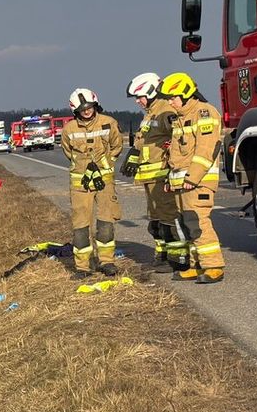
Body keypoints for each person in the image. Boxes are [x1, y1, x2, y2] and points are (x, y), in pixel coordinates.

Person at [159, 72, 225, 283]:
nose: (170, 102)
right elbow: (177, 156)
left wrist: (192, 178)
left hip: (198, 182)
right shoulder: (181, 118)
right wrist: (172, 180)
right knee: (187, 224)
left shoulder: (204, 113)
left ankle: (213, 266)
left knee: (198, 222)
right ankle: (196, 266)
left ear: (186, 94)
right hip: (182, 182)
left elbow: (206, 150)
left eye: (173, 97)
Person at [120, 72, 185, 272]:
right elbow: (145, 138)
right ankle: (162, 255)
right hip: (150, 176)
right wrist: (134, 153)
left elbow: (180, 135)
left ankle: (177, 259)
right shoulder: (150, 112)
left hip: (162, 175)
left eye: (139, 97)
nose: (138, 101)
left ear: (150, 91)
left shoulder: (165, 110)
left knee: (169, 217)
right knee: (156, 220)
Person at [61, 88, 123, 278]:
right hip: (80, 185)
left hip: (104, 181)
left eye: (89, 107)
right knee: (80, 225)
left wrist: (103, 164)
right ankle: (83, 266)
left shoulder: (108, 123)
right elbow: (68, 152)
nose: (87, 111)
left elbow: (116, 146)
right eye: (82, 109)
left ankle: (107, 262)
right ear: (75, 110)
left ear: (95, 105)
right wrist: (84, 167)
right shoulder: (69, 129)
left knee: (106, 221)